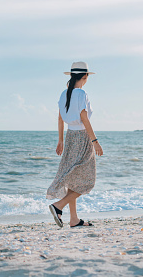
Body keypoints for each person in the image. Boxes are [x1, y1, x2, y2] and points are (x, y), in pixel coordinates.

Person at [47, 61, 103, 228]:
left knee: (73, 178)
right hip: (83, 137)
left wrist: (61, 140)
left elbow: (59, 118)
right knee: (88, 180)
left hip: (70, 136)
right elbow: (84, 119)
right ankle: (59, 206)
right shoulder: (81, 93)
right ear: (85, 77)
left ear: (72, 76)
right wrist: (95, 142)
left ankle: (74, 219)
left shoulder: (64, 94)